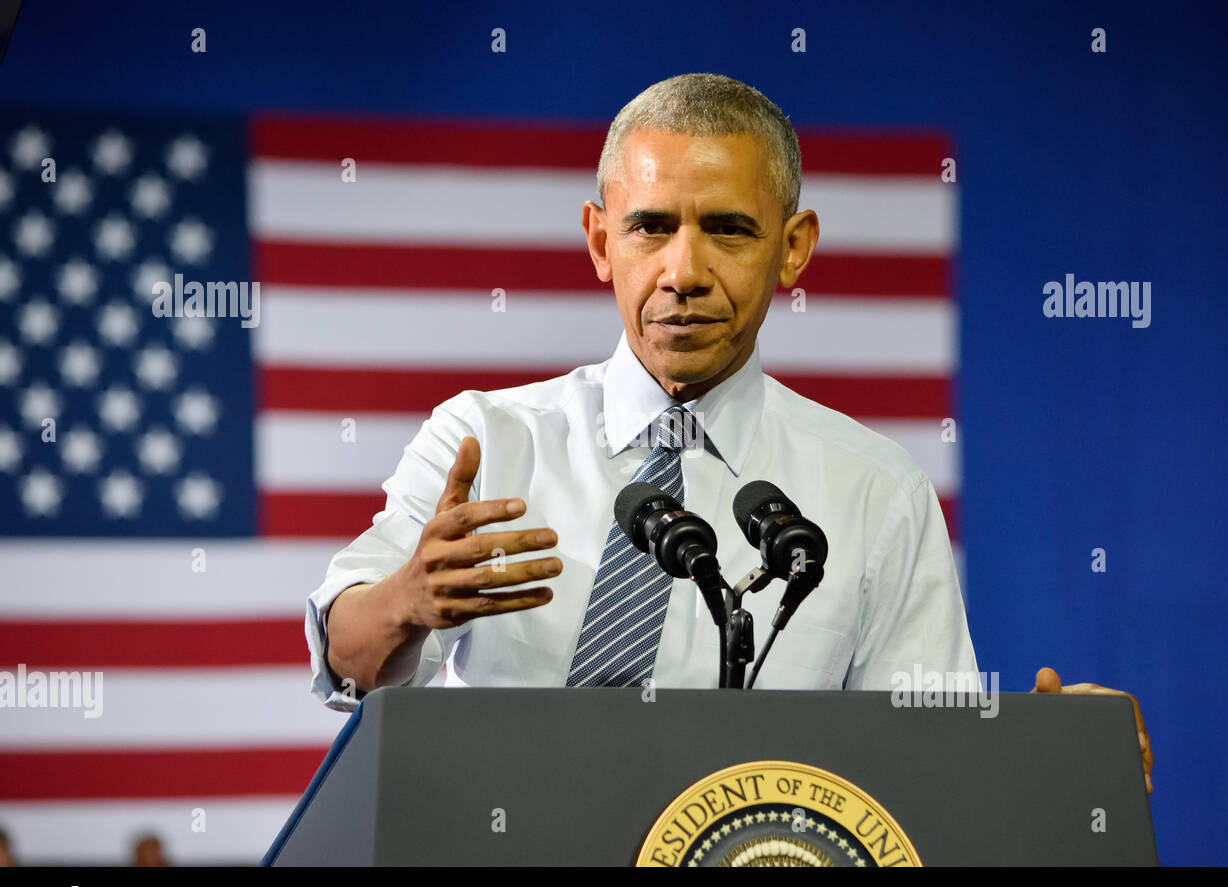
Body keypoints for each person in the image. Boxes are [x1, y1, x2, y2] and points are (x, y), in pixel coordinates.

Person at [306, 73, 1152, 794]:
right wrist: (405, 602)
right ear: (601, 241)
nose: (684, 272)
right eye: (651, 227)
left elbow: (921, 767)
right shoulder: (485, 440)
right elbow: (346, 657)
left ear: (794, 248)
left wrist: (1047, 757)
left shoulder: (875, 490)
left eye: (728, 229)